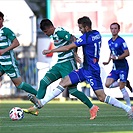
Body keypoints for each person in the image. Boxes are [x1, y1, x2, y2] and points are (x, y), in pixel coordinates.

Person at [27, 16, 133, 119]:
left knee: (102, 97)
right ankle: (41, 103)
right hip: (86, 68)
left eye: (81, 28)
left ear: (86, 27)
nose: (80, 30)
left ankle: (127, 108)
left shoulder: (86, 37)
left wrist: (51, 51)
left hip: (92, 71)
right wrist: (76, 53)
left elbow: (68, 46)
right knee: (64, 82)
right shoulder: (97, 34)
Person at [23, 18, 99, 120]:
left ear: (51, 27)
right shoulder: (54, 34)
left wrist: (75, 54)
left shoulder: (60, 32)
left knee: (72, 91)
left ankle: (92, 107)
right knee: (43, 82)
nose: (45, 34)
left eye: (46, 31)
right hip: (59, 64)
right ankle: (36, 107)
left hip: (68, 64)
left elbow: (74, 39)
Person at [0, 12, 37, 101]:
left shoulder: (6, 30)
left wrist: (4, 50)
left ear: (2, 20)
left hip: (9, 63)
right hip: (0, 63)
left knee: (19, 84)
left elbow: (16, 43)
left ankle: (39, 94)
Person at [103, 22, 132, 107]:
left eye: (115, 28)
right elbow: (111, 52)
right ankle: (124, 82)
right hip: (115, 68)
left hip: (123, 67)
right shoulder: (109, 42)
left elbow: (127, 53)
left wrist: (117, 58)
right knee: (107, 84)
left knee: (122, 88)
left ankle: (129, 106)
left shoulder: (121, 41)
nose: (113, 30)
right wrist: (108, 61)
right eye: (112, 28)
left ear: (119, 30)